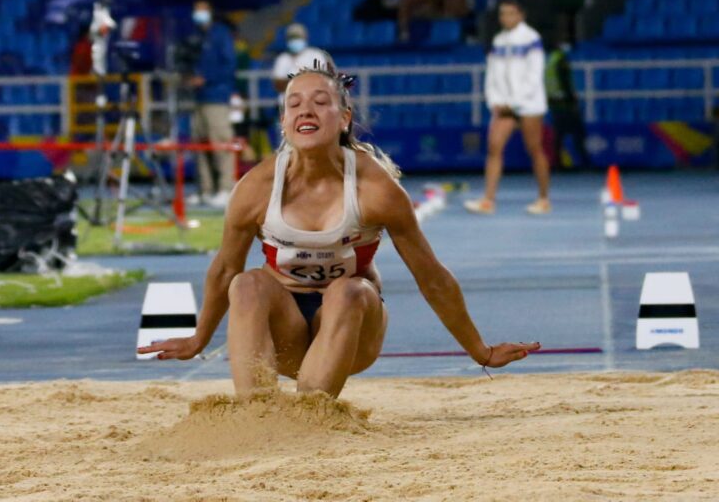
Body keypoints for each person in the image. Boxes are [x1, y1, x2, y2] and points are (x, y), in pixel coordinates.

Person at [138, 63, 540, 398]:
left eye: (320, 102)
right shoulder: (257, 188)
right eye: (293, 103)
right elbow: (225, 269)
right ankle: (256, 415)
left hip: (353, 329)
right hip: (285, 332)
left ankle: (313, 411)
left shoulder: (375, 189)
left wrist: (480, 350)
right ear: (283, 122)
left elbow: (431, 276)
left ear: (344, 117)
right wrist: (198, 339)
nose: (305, 111)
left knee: (347, 289)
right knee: (245, 284)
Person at [464, 0, 551, 215]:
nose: (506, 17)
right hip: (503, 107)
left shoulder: (532, 39)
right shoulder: (499, 41)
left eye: (511, 13)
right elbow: (491, 76)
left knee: (535, 149)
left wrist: (515, 103)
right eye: (503, 13)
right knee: (494, 147)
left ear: (521, 15)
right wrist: (494, 101)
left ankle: (543, 199)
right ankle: (488, 200)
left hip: (529, 105)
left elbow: (534, 76)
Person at [187, 0, 237, 209]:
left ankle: (226, 189)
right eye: (195, 10)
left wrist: (206, 78)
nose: (198, 14)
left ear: (210, 12)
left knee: (220, 143)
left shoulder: (221, 34)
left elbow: (229, 65)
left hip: (217, 97)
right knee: (199, 143)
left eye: (202, 10)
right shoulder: (196, 36)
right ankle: (205, 190)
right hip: (198, 98)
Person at [545, 40, 591, 169]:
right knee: (578, 132)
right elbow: (565, 82)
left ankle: (557, 162)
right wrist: (573, 101)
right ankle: (584, 161)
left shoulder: (549, 61)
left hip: (554, 102)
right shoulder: (560, 59)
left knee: (559, 135)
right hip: (565, 103)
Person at [272, 23, 332, 98]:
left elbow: (323, 80)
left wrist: (293, 81)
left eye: (298, 38)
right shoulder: (282, 59)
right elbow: (278, 85)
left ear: (305, 38)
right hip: (287, 103)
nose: (295, 40)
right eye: (292, 38)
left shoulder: (316, 55)